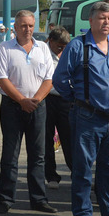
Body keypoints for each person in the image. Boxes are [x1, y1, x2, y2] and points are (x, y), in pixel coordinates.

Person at [51, 1, 109, 216]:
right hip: (87, 117)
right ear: (91, 20)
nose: (107, 22)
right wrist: (78, 100)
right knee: (83, 168)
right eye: (102, 18)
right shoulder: (78, 46)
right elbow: (59, 79)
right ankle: (83, 213)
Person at [0, 10, 55, 214]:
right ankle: (6, 199)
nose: (27, 29)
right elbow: (1, 78)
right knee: (10, 155)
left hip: (37, 106)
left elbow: (49, 79)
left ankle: (39, 199)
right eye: (23, 26)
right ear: (15, 28)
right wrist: (21, 101)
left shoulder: (43, 47)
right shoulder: (5, 47)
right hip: (12, 107)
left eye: (30, 25)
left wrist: (35, 100)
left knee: (38, 155)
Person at [43, 27, 73, 182]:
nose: (62, 49)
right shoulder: (43, 53)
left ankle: (76, 172)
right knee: (47, 139)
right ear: (51, 41)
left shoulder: (69, 53)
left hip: (65, 100)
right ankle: (51, 175)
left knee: (69, 137)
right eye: (59, 46)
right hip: (46, 98)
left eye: (65, 46)